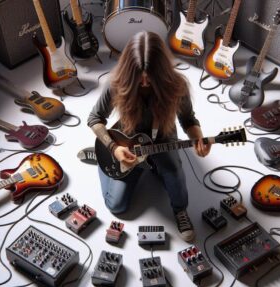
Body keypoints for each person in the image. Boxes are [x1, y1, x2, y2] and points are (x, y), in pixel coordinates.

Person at [88, 31, 211, 242]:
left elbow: (188, 120)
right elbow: (94, 118)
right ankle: (100, 159)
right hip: (128, 144)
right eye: (139, 75)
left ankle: (180, 210)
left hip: (163, 139)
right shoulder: (116, 83)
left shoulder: (177, 86)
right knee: (117, 206)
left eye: (150, 76)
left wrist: (199, 138)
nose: (144, 82)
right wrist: (112, 148)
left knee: (175, 177)